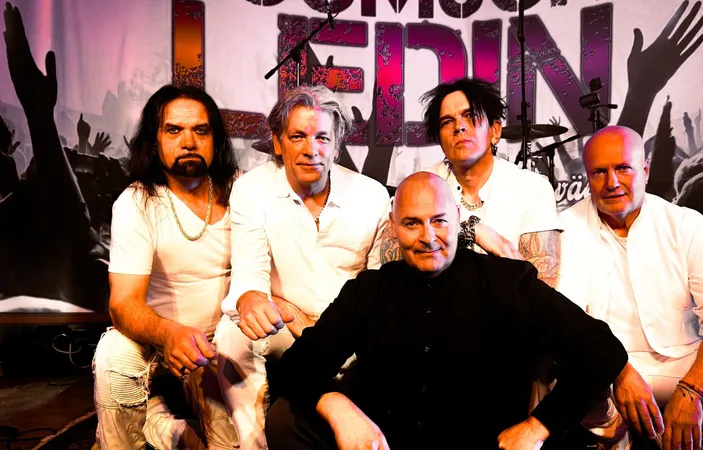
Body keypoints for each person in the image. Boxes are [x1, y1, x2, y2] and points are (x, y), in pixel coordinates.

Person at [264, 171, 628, 450]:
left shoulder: (507, 283)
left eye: (438, 220)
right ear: (393, 226)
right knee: (285, 417)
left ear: (457, 218)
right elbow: (299, 365)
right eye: (412, 223)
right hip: (389, 444)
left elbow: (602, 349)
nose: (428, 237)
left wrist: (539, 426)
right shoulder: (370, 290)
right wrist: (337, 407)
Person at [558, 125, 703, 449]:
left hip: (679, 360)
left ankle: (667, 433)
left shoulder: (686, 224)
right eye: (599, 172)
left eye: (623, 168)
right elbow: (570, 325)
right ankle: (615, 431)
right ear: (587, 177)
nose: (612, 183)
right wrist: (618, 370)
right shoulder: (564, 229)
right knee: (555, 374)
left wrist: (691, 392)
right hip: (604, 368)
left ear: (645, 170)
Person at [214, 84, 391, 448]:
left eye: (322, 137)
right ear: (277, 143)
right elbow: (249, 275)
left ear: (337, 145)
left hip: (352, 335)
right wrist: (254, 300)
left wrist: (333, 330)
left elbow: (380, 289)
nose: (311, 149)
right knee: (233, 333)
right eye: (298, 136)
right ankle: (253, 444)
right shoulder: (252, 189)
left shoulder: (371, 195)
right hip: (285, 329)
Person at [92, 85, 239, 449]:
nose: (188, 141)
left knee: (230, 443)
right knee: (113, 355)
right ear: (154, 140)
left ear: (216, 139)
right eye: (173, 130)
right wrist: (169, 334)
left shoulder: (244, 193)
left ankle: (159, 422)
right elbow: (123, 304)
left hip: (223, 344)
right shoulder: (137, 201)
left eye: (200, 130)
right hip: (157, 343)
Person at [379, 78, 562, 287]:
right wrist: (471, 231)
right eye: (447, 122)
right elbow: (391, 265)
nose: (459, 127)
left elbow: (542, 286)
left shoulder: (533, 188)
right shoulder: (419, 187)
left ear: (495, 131)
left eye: (470, 116)